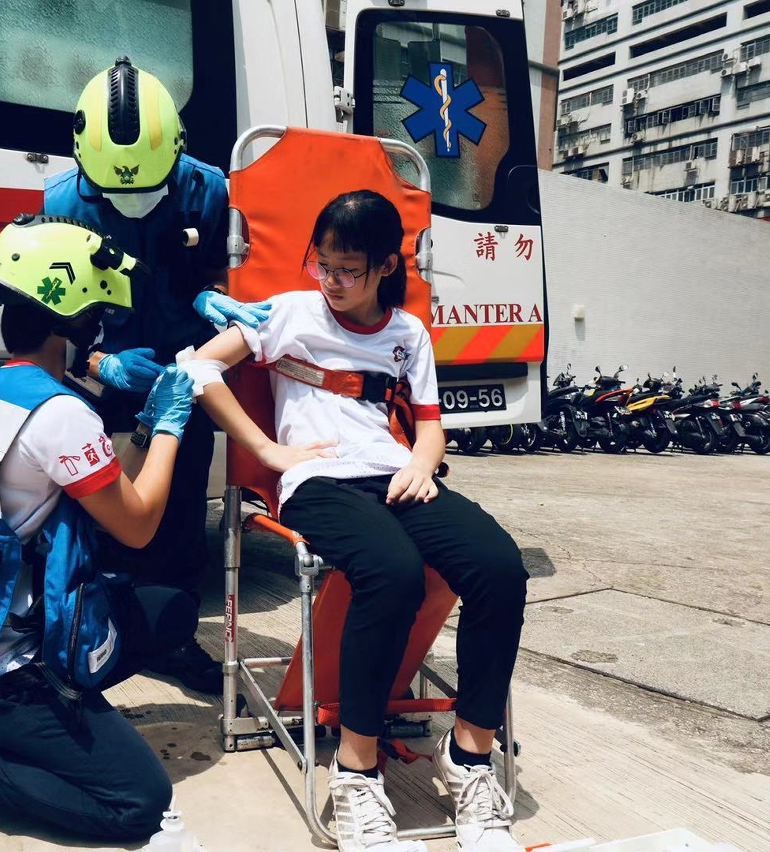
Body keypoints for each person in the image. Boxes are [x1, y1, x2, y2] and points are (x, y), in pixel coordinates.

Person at [182, 191, 529, 852]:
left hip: (394, 474)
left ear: (385, 267)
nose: (332, 281)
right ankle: (357, 770)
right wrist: (267, 451)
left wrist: (423, 463)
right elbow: (198, 368)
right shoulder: (289, 312)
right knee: (392, 574)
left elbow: (430, 427)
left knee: (499, 569)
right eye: (323, 264)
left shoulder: (408, 334)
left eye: (348, 270)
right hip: (317, 482)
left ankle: (470, 756)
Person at [0, 216, 200, 843]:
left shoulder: (9, 385)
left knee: (170, 613)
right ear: (73, 323)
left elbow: (106, 491)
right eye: (99, 319)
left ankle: (41, 721)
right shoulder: (59, 414)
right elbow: (137, 525)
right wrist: (168, 427)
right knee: (139, 802)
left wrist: (138, 427)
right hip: (1, 668)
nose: (103, 333)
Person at [43, 56, 269, 694]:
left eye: (148, 189)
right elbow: (56, 321)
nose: (135, 206)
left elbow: (218, 276)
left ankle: (172, 637)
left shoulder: (208, 190)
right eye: (120, 193)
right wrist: (100, 362)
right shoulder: (61, 203)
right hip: (109, 381)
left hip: (183, 376)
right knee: (101, 509)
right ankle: (99, 629)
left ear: (177, 151)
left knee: (181, 507)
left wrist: (211, 298)